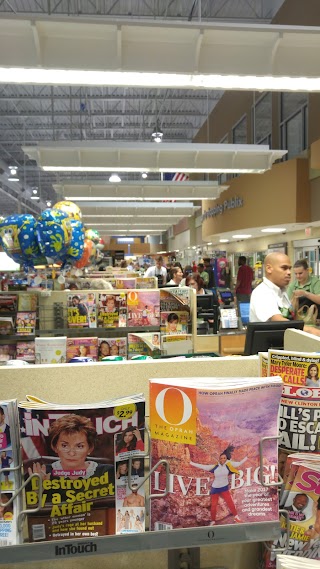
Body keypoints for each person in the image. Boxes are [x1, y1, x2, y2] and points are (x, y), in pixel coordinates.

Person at [249, 252, 320, 337]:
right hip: (269, 347)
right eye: (284, 268)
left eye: (290, 269)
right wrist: (309, 330)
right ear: (269, 269)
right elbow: (278, 321)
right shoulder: (262, 292)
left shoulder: (282, 292)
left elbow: (289, 316)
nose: (289, 272)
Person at [28, 414, 113, 480]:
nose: (71, 453)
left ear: (90, 448)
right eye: (64, 445)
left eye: (79, 446)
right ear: (54, 447)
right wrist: (37, 489)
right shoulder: (40, 472)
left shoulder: (107, 472)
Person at [190, 445, 247, 525]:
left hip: (224, 488)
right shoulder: (214, 467)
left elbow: (239, 463)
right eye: (221, 458)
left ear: (226, 459)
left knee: (230, 502)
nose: (223, 459)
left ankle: (236, 517)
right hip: (215, 488)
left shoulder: (229, 466)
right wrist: (191, 463)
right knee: (214, 505)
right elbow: (202, 466)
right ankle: (213, 521)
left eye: (224, 458)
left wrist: (246, 457)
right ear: (219, 459)